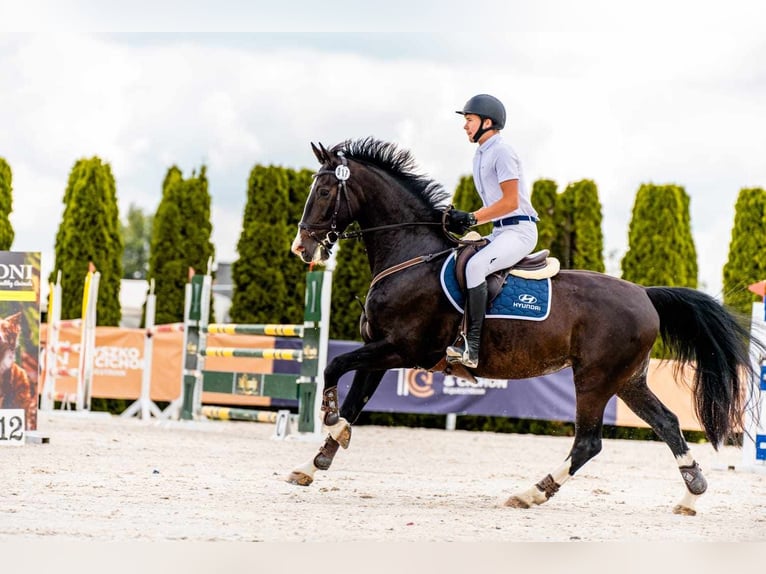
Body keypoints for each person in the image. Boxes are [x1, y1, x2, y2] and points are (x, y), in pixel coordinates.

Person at [445, 94, 539, 368]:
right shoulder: (480, 154)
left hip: (519, 231)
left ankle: (472, 347)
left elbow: (510, 202)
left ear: (487, 122)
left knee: (475, 267)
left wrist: (473, 218)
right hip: (500, 231)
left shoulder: (503, 152)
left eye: (469, 120)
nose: (465, 126)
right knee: (456, 257)